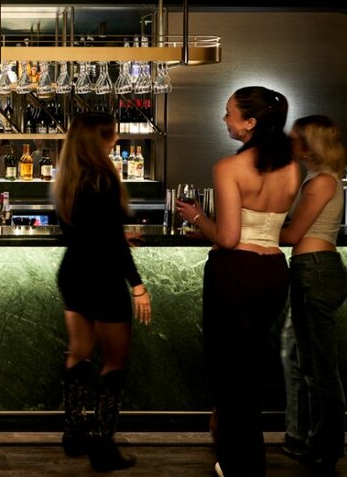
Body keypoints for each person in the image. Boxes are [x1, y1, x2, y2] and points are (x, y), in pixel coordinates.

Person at [176, 86, 300, 477]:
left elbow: (229, 238)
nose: (224, 118)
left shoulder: (228, 168)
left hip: (236, 272)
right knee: (251, 368)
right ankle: (247, 458)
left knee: (229, 370)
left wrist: (196, 217)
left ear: (249, 123)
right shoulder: (295, 167)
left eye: (229, 113)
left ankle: (237, 462)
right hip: (274, 272)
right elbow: (269, 228)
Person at [53, 111, 151, 472]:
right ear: (102, 140)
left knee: (78, 353)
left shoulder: (67, 178)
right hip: (104, 276)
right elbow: (110, 241)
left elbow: (85, 231)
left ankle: (74, 434)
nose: (117, 140)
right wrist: (137, 285)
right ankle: (103, 448)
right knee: (114, 361)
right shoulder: (105, 178)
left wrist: (114, 234)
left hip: (74, 272)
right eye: (113, 135)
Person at [278, 115, 347, 476]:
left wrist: (245, 229)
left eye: (296, 139)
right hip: (314, 270)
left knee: (321, 369)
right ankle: (318, 443)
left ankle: (330, 447)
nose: (291, 143)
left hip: (317, 270)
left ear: (310, 143)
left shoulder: (320, 182)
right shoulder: (316, 179)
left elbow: (292, 235)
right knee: (309, 366)